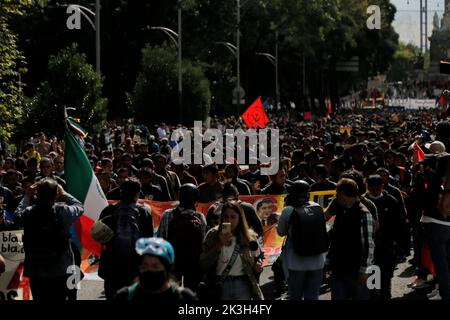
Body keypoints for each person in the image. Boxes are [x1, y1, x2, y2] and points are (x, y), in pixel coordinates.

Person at [13, 178, 84, 301]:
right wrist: (64, 193)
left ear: (37, 193)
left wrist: (27, 195)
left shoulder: (28, 212)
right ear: (56, 193)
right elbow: (79, 206)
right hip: (60, 269)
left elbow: (17, 215)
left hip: (36, 269)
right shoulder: (64, 211)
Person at [97, 178, 154, 300]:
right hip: (135, 267)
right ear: (137, 193)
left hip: (112, 266)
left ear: (121, 192)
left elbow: (99, 235)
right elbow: (149, 241)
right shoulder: (144, 213)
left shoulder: (109, 210)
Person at [199, 201, 264, 300]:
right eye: (226, 217)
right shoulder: (213, 234)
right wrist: (219, 245)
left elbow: (258, 257)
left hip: (242, 284)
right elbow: (203, 263)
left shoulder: (248, 236)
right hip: (219, 285)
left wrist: (258, 264)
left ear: (239, 218)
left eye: (233, 217)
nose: (229, 220)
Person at [277, 180, 328, 300]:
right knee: (313, 296)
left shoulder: (288, 210)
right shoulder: (317, 207)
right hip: (318, 261)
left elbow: (281, 232)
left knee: (295, 296)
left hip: (296, 263)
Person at [328, 178, 375, 300]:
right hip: (339, 267)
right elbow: (335, 238)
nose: (335, 197)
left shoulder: (364, 213)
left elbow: (369, 245)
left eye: (337, 194)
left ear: (343, 194)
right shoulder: (341, 208)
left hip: (356, 270)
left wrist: (364, 270)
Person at [114, 238, 197, 301]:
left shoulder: (185, 296)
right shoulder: (124, 296)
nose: (150, 270)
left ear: (167, 269)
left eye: (155, 266)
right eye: (144, 266)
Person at [158, 184, 207, 291]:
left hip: (173, 263)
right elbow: (204, 242)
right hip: (193, 264)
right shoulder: (200, 217)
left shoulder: (168, 215)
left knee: (172, 293)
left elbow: (161, 240)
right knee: (192, 294)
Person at [366, 175, 403, 300]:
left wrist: (400, 245)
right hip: (370, 248)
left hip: (388, 246)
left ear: (382, 186)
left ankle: (385, 295)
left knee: (386, 277)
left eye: (377, 189)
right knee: (372, 279)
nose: (375, 192)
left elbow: (399, 223)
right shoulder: (363, 202)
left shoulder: (391, 200)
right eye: (372, 189)